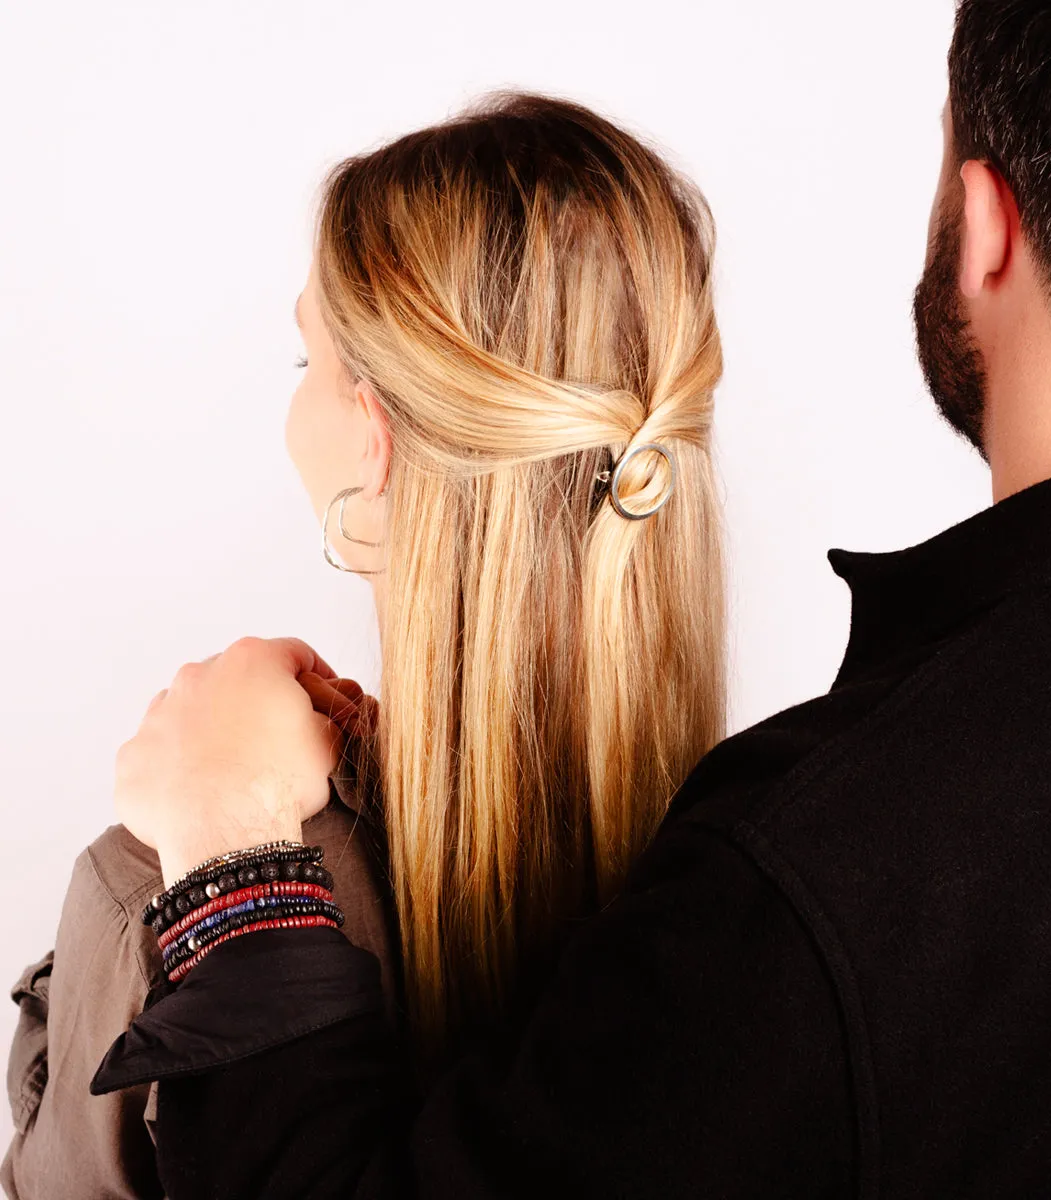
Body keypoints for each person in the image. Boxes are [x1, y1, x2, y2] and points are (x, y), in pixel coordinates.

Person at [1, 96, 728, 1198]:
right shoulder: (773, 893)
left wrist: (218, 861)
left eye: (306, 364)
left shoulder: (162, 899)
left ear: (373, 440)